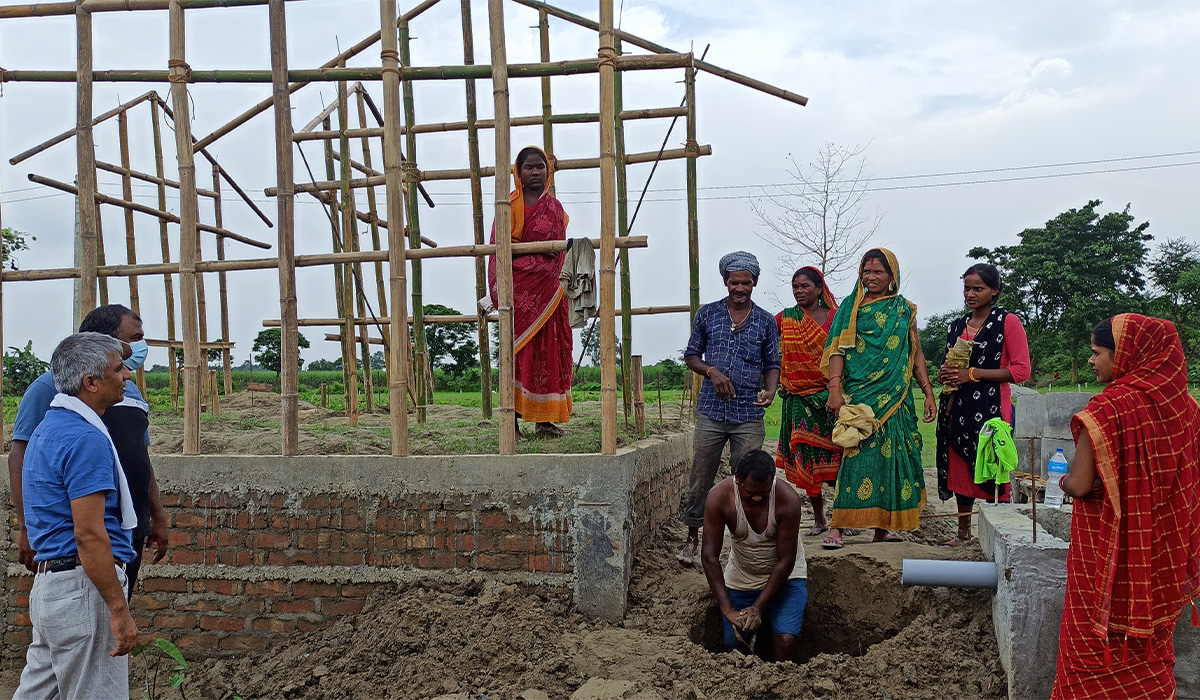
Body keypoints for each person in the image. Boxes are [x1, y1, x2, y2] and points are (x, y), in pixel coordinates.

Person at [1051, 315, 1200, 700]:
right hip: (1160, 555)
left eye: (1096, 353)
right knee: (1149, 648)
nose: (1090, 361)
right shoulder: (1186, 411)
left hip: (1102, 553)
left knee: (1091, 643)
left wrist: (1062, 480)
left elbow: (1081, 485)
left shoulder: (1106, 410)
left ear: (1128, 356)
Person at [9, 304, 168, 596]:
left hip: (126, 525)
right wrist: (26, 527)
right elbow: (22, 455)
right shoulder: (50, 388)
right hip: (81, 536)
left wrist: (155, 514)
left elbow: (138, 455)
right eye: (135, 337)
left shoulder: (126, 390)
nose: (141, 345)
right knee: (93, 610)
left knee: (113, 608)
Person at [13, 333, 140, 699]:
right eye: (119, 369)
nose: (127, 376)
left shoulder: (47, 429)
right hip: (84, 588)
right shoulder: (86, 438)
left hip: (52, 587)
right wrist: (118, 609)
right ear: (91, 382)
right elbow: (88, 533)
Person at [821, 248, 936, 548]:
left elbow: (915, 354)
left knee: (895, 457)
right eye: (866, 272)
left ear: (892, 276)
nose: (871, 278)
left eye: (878, 272)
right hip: (862, 396)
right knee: (856, 458)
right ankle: (838, 527)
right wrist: (835, 390)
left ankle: (882, 527)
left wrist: (927, 392)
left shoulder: (904, 310)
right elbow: (837, 350)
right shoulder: (850, 306)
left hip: (897, 399)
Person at [677, 251, 780, 565]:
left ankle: (744, 544)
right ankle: (692, 540)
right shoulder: (707, 314)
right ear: (725, 282)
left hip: (748, 413)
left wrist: (771, 390)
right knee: (700, 477)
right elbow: (692, 355)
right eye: (734, 282)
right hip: (710, 411)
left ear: (754, 283)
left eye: (746, 283)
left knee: (747, 479)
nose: (740, 288)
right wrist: (711, 371)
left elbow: (772, 363)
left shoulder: (764, 320)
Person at [934, 263, 1031, 545]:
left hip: (990, 410)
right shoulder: (956, 325)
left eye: (978, 288)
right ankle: (963, 532)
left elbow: (1021, 371)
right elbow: (949, 363)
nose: (971, 294)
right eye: (967, 288)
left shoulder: (1007, 322)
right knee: (961, 466)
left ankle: (998, 534)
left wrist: (971, 374)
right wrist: (947, 373)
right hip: (956, 407)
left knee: (991, 464)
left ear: (994, 291)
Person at [487, 145, 573, 439]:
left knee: (548, 357)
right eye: (529, 168)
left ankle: (544, 421)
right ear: (518, 173)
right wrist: (533, 266)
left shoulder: (556, 209)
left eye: (540, 167)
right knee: (517, 359)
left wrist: (543, 269)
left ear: (548, 172)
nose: (535, 172)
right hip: (519, 299)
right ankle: (510, 423)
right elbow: (501, 255)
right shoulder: (509, 208)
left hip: (550, 297)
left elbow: (558, 254)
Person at [700, 450, 807, 662]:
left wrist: (758, 607)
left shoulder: (787, 500)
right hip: (743, 576)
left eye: (764, 493)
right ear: (737, 480)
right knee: (734, 645)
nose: (757, 497)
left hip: (787, 576)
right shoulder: (719, 497)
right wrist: (728, 609)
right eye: (750, 492)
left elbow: (786, 560)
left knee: (786, 641)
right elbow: (709, 556)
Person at [775, 266, 843, 537]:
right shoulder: (786, 318)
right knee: (808, 461)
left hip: (833, 400)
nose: (799, 291)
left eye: (804, 286)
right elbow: (764, 337)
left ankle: (842, 518)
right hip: (798, 401)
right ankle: (819, 519)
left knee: (840, 460)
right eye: (795, 286)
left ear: (819, 288)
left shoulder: (837, 318)